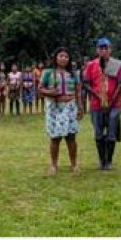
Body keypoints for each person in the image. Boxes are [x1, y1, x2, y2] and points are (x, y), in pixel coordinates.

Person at [82, 37, 121, 170]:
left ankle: (109, 161)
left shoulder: (116, 64)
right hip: (96, 104)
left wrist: (112, 99)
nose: (103, 50)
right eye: (101, 48)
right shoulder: (91, 65)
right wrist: (97, 95)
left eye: (106, 47)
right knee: (99, 133)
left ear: (110, 49)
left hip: (114, 104)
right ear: (97, 50)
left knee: (112, 132)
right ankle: (102, 160)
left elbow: (120, 83)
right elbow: (86, 83)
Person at [39, 47, 82, 176]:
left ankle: (74, 164)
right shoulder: (47, 73)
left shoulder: (74, 74)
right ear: (56, 58)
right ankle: (53, 165)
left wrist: (80, 107)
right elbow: (40, 89)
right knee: (55, 137)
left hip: (70, 107)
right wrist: (49, 92)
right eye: (61, 56)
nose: (63, 58)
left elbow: (78, 92)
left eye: (66, 56)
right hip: (54, 108)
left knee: (71, 137)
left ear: (69, 60)